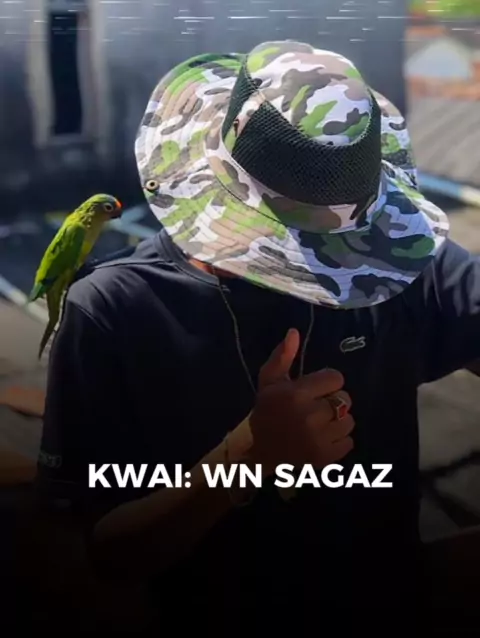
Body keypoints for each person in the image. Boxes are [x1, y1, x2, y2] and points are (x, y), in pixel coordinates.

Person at [35, 40, 480, 632]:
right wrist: (244, 459)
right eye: (307, 243)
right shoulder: (115, 311)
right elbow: (97, 556)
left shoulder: (402, 272)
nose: (333, 272)